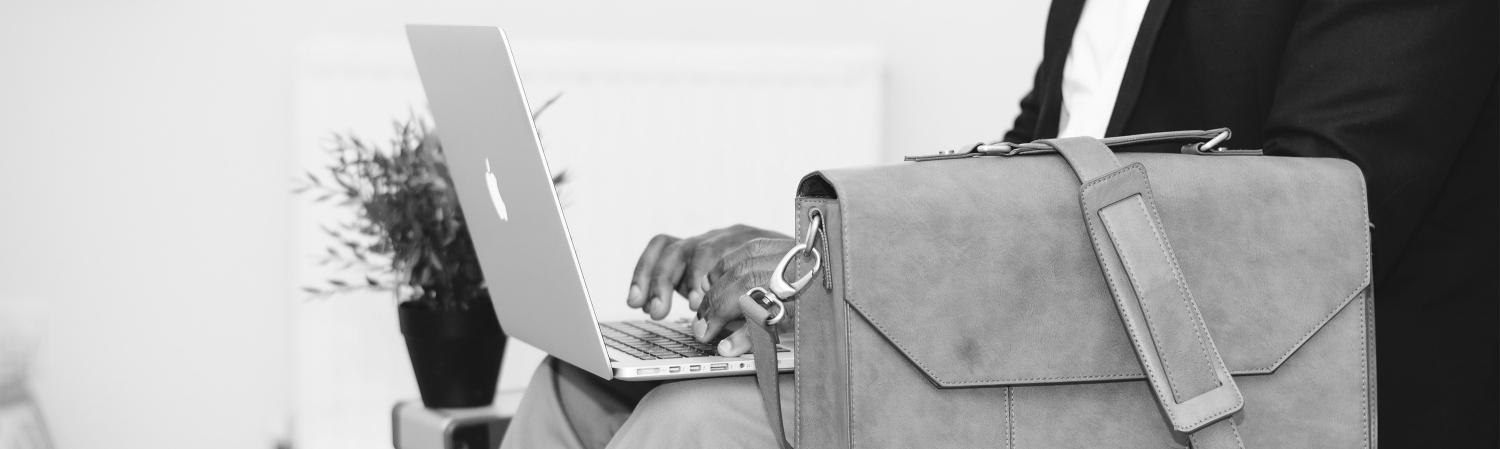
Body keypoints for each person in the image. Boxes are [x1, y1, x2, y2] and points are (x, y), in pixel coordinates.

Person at [501, 0, 1499, 446]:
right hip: (1059, 351)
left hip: (1216, 394)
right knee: (577, 389)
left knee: (694, 424)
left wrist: (861, 274)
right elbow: (1031, 164)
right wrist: (814, 267)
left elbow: (1302, 234)